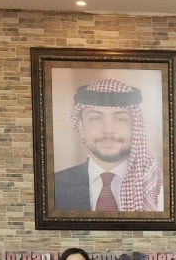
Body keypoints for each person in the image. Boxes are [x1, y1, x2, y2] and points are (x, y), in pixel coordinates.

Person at [50, 79, 164, 212]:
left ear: (136, 127)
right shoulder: (53, 185)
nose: (108, 129)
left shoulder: (159, 186)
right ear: (81, 128)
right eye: (95, 118)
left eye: (120, 119)